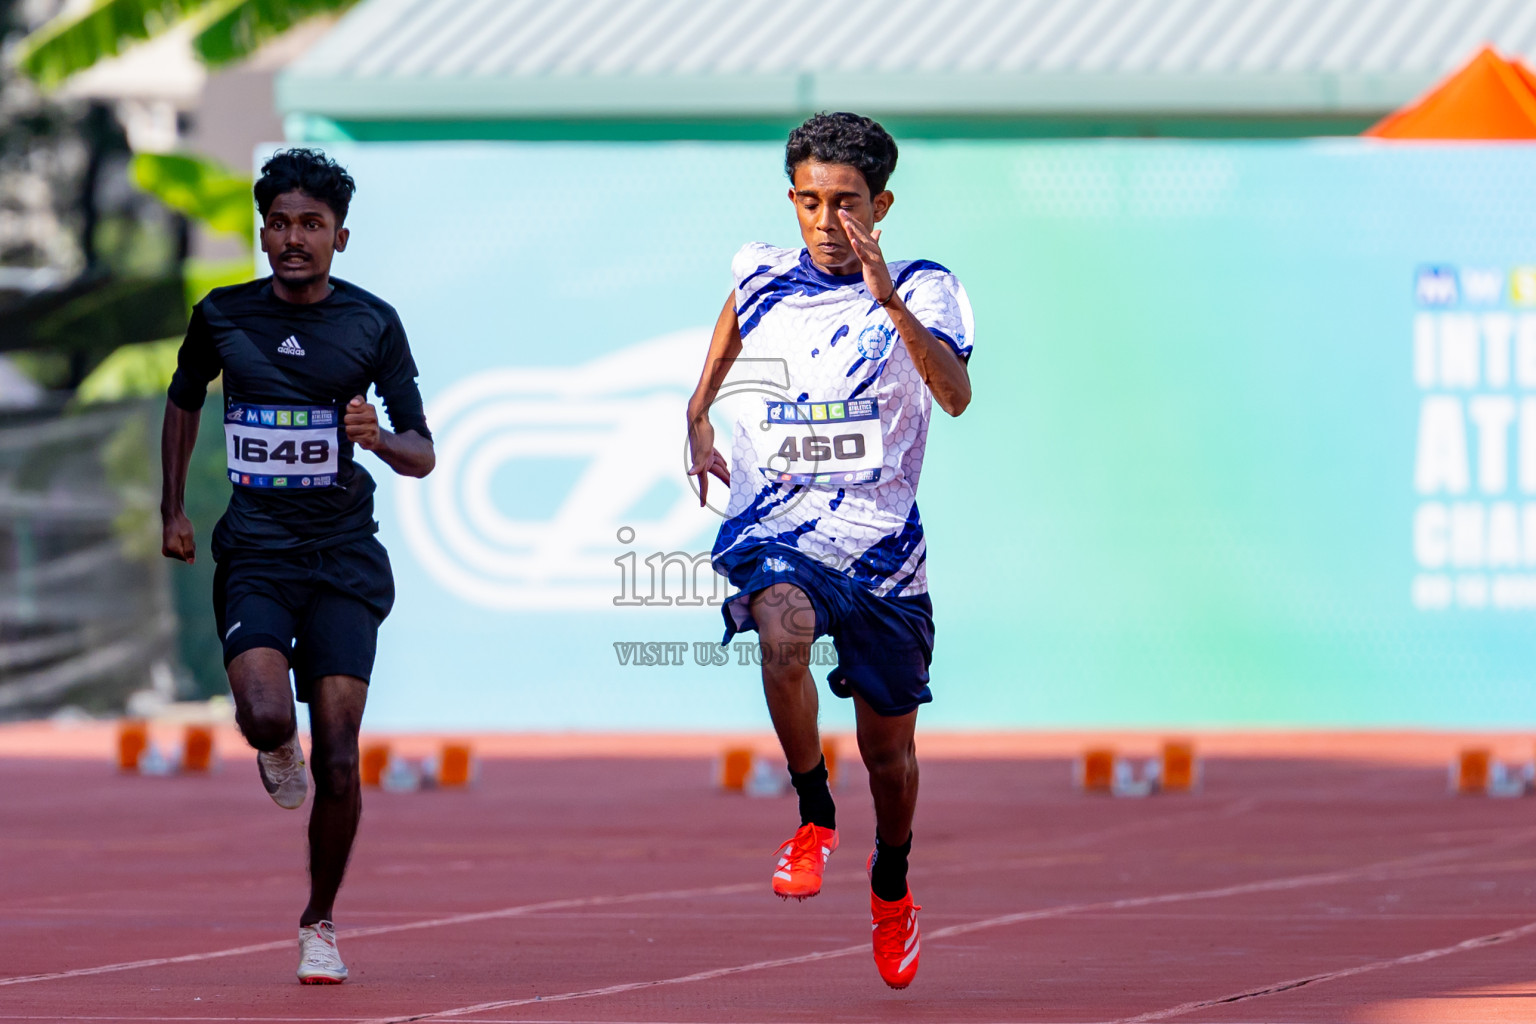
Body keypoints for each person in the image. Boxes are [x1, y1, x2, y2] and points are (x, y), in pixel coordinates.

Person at [685, 112, 974, 989]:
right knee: (779, 630)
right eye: (810, 201)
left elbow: (956, 397)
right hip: (777, 521)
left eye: (845, 203)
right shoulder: (762, 270)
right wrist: (697, 413)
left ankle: (892, 883)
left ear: (880, 204)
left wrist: (887, 298)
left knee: (890, 755)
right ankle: (813, 816)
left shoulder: (926, 287)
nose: (825, 219)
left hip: (881, 551)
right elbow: (734, 321)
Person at [159, 148, 435, 985]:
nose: (292, 238)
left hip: (344, 559)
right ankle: (276, 747)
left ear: (339, 237)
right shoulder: (222, 315)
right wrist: (172, 507)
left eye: (310, 224)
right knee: (267, 716)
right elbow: (182, 398)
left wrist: (375, 438)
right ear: (263, 229)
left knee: (343, 753)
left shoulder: (372, 324)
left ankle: (320, 922)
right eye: (278, 222)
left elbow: (421, 452)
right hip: (257, 553)